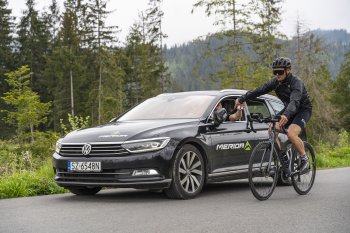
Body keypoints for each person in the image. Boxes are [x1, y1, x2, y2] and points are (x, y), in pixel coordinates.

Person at [235, 57, 312, 175]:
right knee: (272, 131)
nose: (277, 74)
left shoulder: (296, 82)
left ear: (288, 70)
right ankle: (283, 161)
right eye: (275, 72)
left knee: (291, 134)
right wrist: (242, 98)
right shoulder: (275, 82)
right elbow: (259, 90)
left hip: (302, 109)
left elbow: (295, 102)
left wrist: (286, 115)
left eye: (280, 72)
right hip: (288, 109)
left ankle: (304, 158)